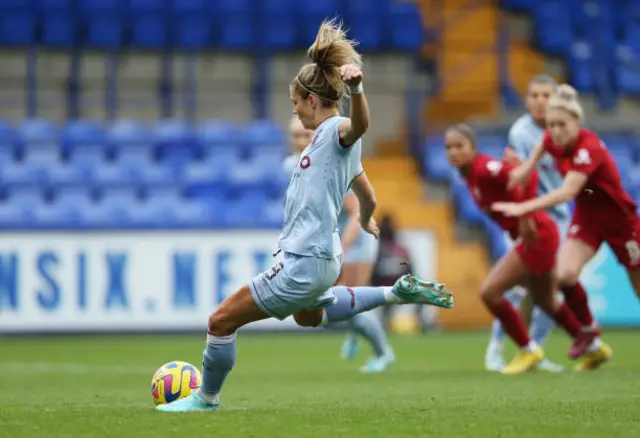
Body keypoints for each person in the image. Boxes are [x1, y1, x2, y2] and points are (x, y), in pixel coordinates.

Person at [157, 20, 453, 413]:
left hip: (304, 261)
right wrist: (365, 216)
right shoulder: (324, 146)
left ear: (312, 100)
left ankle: (207, 398)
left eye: (296, 103)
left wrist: (357, 89)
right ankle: (392, 293)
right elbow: (366, 189)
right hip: (321, 260)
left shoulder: (335, 132)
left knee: (220, 321)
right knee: (309, 317)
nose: (295, 112)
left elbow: (359, 125)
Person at [495, 84, 640, 368]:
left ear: (577, 123)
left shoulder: (590, 148)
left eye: (562, 124)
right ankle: (587, 330)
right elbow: (530, 164)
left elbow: (567, 192)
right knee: (564, 276)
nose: (556, 131)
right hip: (587, 220)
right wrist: (514, 175)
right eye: (551, 125)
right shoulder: (551, 139)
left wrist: (523, 207)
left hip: (621, 224)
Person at [444, 123, 605, 374]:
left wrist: (526, 218)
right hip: (536, 234)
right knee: (546, 300)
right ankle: (594, 347)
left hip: (536, 234)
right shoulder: (469, 174)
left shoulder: (485, 168)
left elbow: (528, 175)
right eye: (448, 147)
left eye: (459, 146)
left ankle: (528, 350)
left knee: (490, 292)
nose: (453, 151)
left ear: (473, 148)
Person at [284, 117, 394, 373]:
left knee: (350, 297)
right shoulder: (290, 166)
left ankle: (383, 352)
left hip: (356, 238)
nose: (301, 141)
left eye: (306, 135)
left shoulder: (329, 165)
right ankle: (358, 333)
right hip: (331, 240)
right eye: (295, 136)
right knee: (337, 301)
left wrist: (341, 249)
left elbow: (356, 212)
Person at [485, 75, 565, 373]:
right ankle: (495, 348)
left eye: (546, 95)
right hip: (527, 218)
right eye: (534, 95)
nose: (540, 101)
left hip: (559, 219)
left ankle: (537, 350)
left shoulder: (567, 130)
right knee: (513, 288)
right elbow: (517, 179)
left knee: (551, 290)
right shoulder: (521, 132)